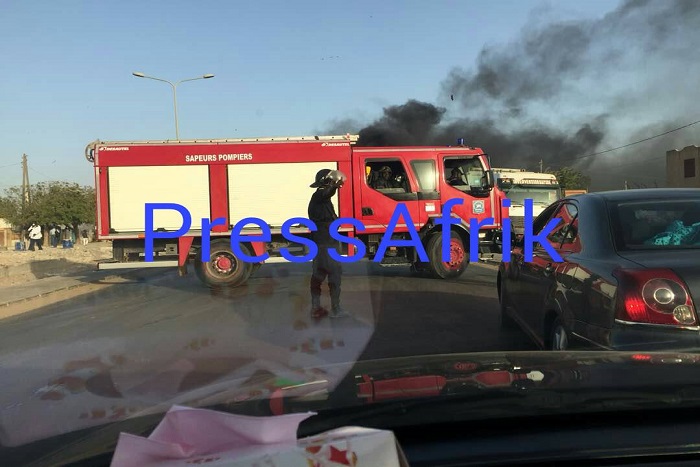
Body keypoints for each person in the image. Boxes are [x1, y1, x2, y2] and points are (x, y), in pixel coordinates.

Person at [308, 168, 348, 319]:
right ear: (325, 181)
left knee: (319, 275)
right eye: (330, 180)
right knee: (333, 275)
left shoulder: (322, 200)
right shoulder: (319, 195)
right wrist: (335, 184)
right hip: (325, 244)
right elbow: (327, 192)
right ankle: (335, 309)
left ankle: (316, 308)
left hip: (325, 243)